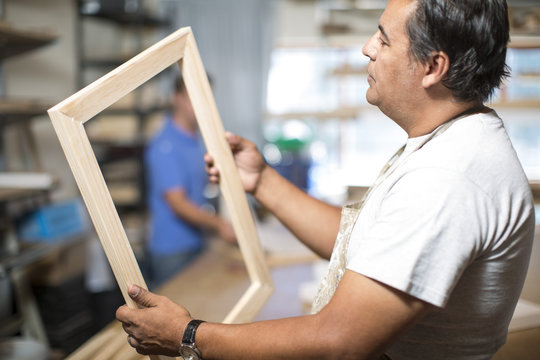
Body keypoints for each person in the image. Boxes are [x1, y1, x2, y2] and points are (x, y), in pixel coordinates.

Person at [117, 0, 535, 359]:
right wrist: (261, 179)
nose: (367, 48)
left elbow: (340, 342)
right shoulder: (454, 142)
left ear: (432, 66)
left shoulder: (448, 176)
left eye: (384, 39)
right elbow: (366, 245)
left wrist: (186, 336)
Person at [144, 74, 236, 289]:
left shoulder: (194, 140)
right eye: (193, 97)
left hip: (197, 241)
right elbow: (178, 203)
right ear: (175, 97)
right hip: (172, 250)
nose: (200, 104)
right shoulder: (165, 144)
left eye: (205, 98)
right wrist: (219, 225)